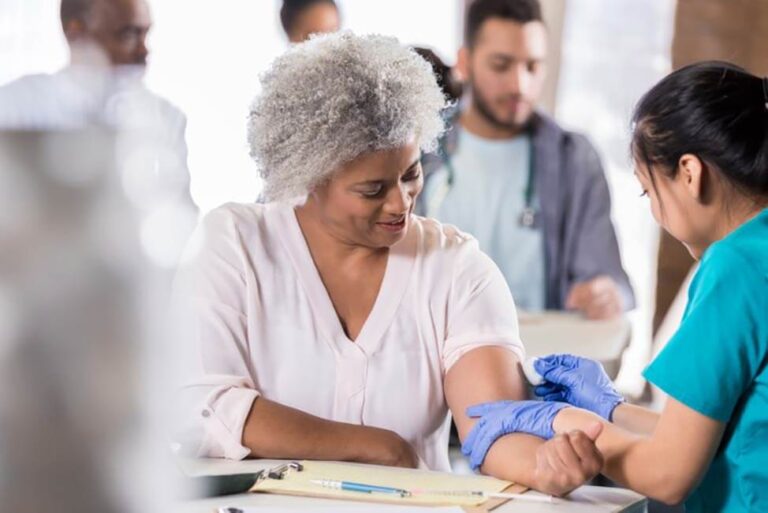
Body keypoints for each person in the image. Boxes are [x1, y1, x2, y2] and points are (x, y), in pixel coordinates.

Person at [170, 32, 604, 496]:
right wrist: (373, 447)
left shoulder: (455, 269)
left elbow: (493, 426)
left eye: (411, 172)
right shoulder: (235, 244)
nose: (401, 202)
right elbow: (202, 406)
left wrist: (542, 463)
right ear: (308, 177)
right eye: (373, 189)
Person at [460, 62, 768, 511]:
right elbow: (711, 431)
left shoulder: (734, 266)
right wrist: (610, 409)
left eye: (648, 192)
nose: (656, 215)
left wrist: (566, 422)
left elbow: (668, 473)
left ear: (689, 172)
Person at [420, 0, 633, 318]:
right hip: (432, 352)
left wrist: (607, 294)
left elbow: (607, 278)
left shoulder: (574, 160)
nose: (520, 85)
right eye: (501, 65)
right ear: (464, 62)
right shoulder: (418, 148)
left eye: (532, 66)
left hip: (533, 357)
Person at [0, 0, 196, 221]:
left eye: (145, 34)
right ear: (76, 33)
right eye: (128, 35)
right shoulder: (14, 106)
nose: (143, 51)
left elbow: (182, 220)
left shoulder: (165, 118)